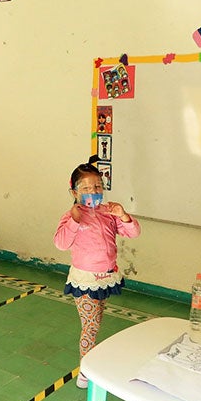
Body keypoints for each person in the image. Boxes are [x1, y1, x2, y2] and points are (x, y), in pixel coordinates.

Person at [54, 162, 140, 387]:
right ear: (74, 192)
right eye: (86, 188)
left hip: (106, 279)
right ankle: (85, 371)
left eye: (98, 186)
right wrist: (73, 220)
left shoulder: (108, 212)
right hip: (84, 281)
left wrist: (123, 215)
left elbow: (133, 233)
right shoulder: (72, 215)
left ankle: (91, 362)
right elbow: (61, 244)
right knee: (90, 327)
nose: (93, 191)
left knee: (96, 322)